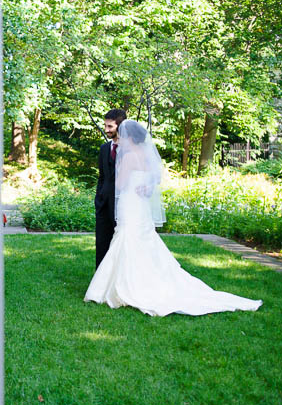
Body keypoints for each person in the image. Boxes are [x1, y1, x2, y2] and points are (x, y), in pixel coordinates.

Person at [84, 119, 262, 316]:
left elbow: (121, 184)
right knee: (141, 240)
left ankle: (123, 287)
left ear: (130, 137)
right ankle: (139, 281)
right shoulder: (145, 154)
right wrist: (146, 185)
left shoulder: (128, 157)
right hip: (140, 206)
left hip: (130, 203)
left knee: (126, 239)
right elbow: (154, 176)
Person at [95, 109, 127, 270]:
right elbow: (102, 177)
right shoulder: (104, 149)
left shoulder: (131, 150)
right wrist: (98, 199)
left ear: (120, 126)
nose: (106, 130)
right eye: (105, 126)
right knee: (101, 242)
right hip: (103, 203)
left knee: (120, 244)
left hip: (123, 206)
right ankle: (99, 281)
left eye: (110, 126)